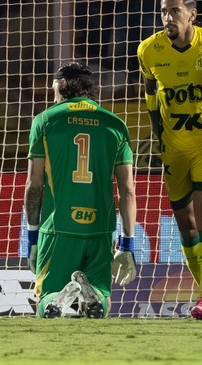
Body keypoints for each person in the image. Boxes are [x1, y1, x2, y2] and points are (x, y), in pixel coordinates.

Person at [136, 0, 202, 320]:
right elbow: (150, 95)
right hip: (173, 146)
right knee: (185, 224)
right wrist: (158, 134)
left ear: (192, 14)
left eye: (174, 11)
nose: (167, 18)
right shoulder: (148, 50)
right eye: (164, 11)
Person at [25, 61, 137, 319]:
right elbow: (127, 191)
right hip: (99, 229)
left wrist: (32, 235)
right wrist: (127, 245)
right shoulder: (115, 124)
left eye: (53, 86)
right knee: (103, 296)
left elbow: (34, 185)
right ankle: (94, 296)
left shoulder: (45, 120)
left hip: (59, 227)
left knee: (45, 299)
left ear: (61, 86)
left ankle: (57, 301)